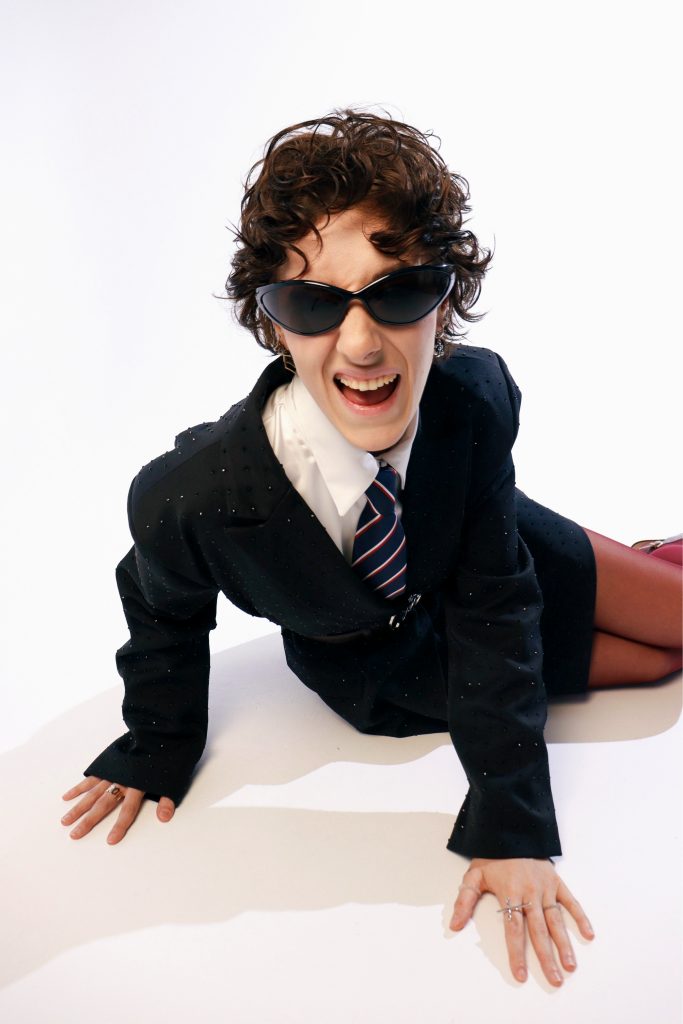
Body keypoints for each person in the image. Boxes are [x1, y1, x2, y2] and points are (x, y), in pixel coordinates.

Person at [60, 108, 682, 987]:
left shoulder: (474, 398)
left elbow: (495, 606)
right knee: (655, 667)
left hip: (494, 555)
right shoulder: (189, 497)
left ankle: (654, 559)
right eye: (313, 304)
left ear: (442, 299)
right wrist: (156, 742)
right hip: (386, 669)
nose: (359, 342)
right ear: (273, 322)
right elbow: (162, 610)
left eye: (396, 293)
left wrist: (510, 821)